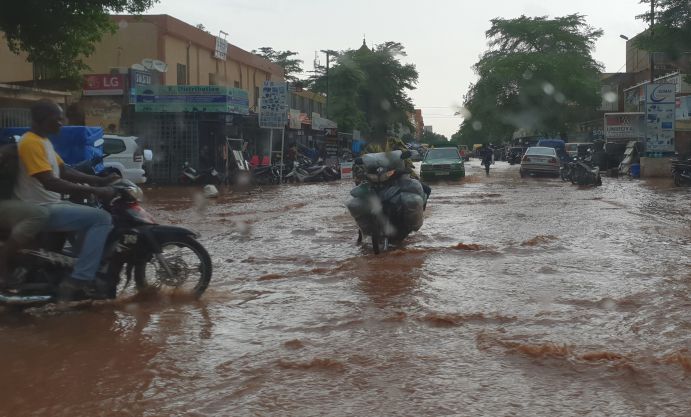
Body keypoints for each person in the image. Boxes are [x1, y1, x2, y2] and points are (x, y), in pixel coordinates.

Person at [14, 100, 118, 299]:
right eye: (58, 119)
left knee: (85, 215)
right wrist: (96, 192)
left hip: (51, 203)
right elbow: (50, 181)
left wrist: (100, 180)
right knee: (101, 218)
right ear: (42, 120)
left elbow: (65, 171)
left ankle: (79, 267)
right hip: (40, 207)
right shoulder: (30, 142)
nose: (62, 123)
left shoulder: (43, 141)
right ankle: (81, 278)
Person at [0, 136, 50, 287]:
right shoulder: (8, 156)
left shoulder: (24, 163)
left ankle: (34, 269)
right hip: (5, 207)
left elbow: (54, 170)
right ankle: (3, 267)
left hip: (14, 204)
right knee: (38, 215)